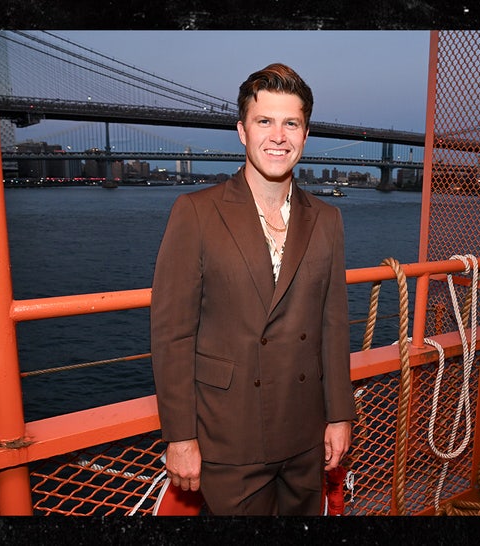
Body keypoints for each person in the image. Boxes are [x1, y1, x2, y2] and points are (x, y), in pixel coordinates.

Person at [150, 63, 357, 516]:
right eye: (265, 121)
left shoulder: (327, 220)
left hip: (306, 435)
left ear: (305, 134)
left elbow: (334, 324)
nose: (278, 136)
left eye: (291, 123)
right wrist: (180, 437)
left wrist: (340, 415)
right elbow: (172, 336)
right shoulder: (196, 213)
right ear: (242, 131)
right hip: (230, 434)